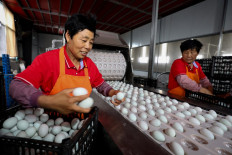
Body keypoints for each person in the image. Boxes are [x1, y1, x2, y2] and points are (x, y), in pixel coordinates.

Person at [9, 14, 124, 115]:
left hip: (80, 123)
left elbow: (100, 84)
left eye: (91, 42)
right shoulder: (47, 60)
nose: (88, 47)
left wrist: (112, 92)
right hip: (52, 122)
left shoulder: (89, 64)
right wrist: (48, 101)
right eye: (84, 41)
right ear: (68, 36)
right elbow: (16, 86)